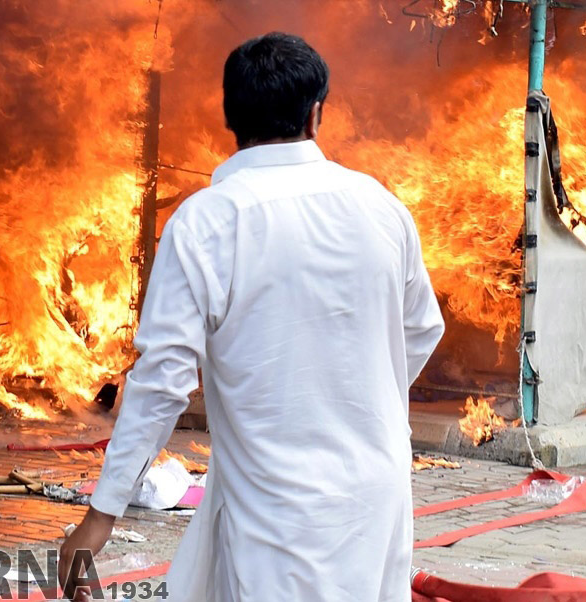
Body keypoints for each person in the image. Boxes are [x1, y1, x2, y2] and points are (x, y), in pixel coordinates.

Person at [59, 32, 445, 601]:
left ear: (229, 118)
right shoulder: (383, 208)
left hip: (275, 508)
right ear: (317, 114)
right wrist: (351, 396)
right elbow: (421, 329)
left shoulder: (206, 222)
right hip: (375, 497)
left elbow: (163, 380)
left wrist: (102, 514)